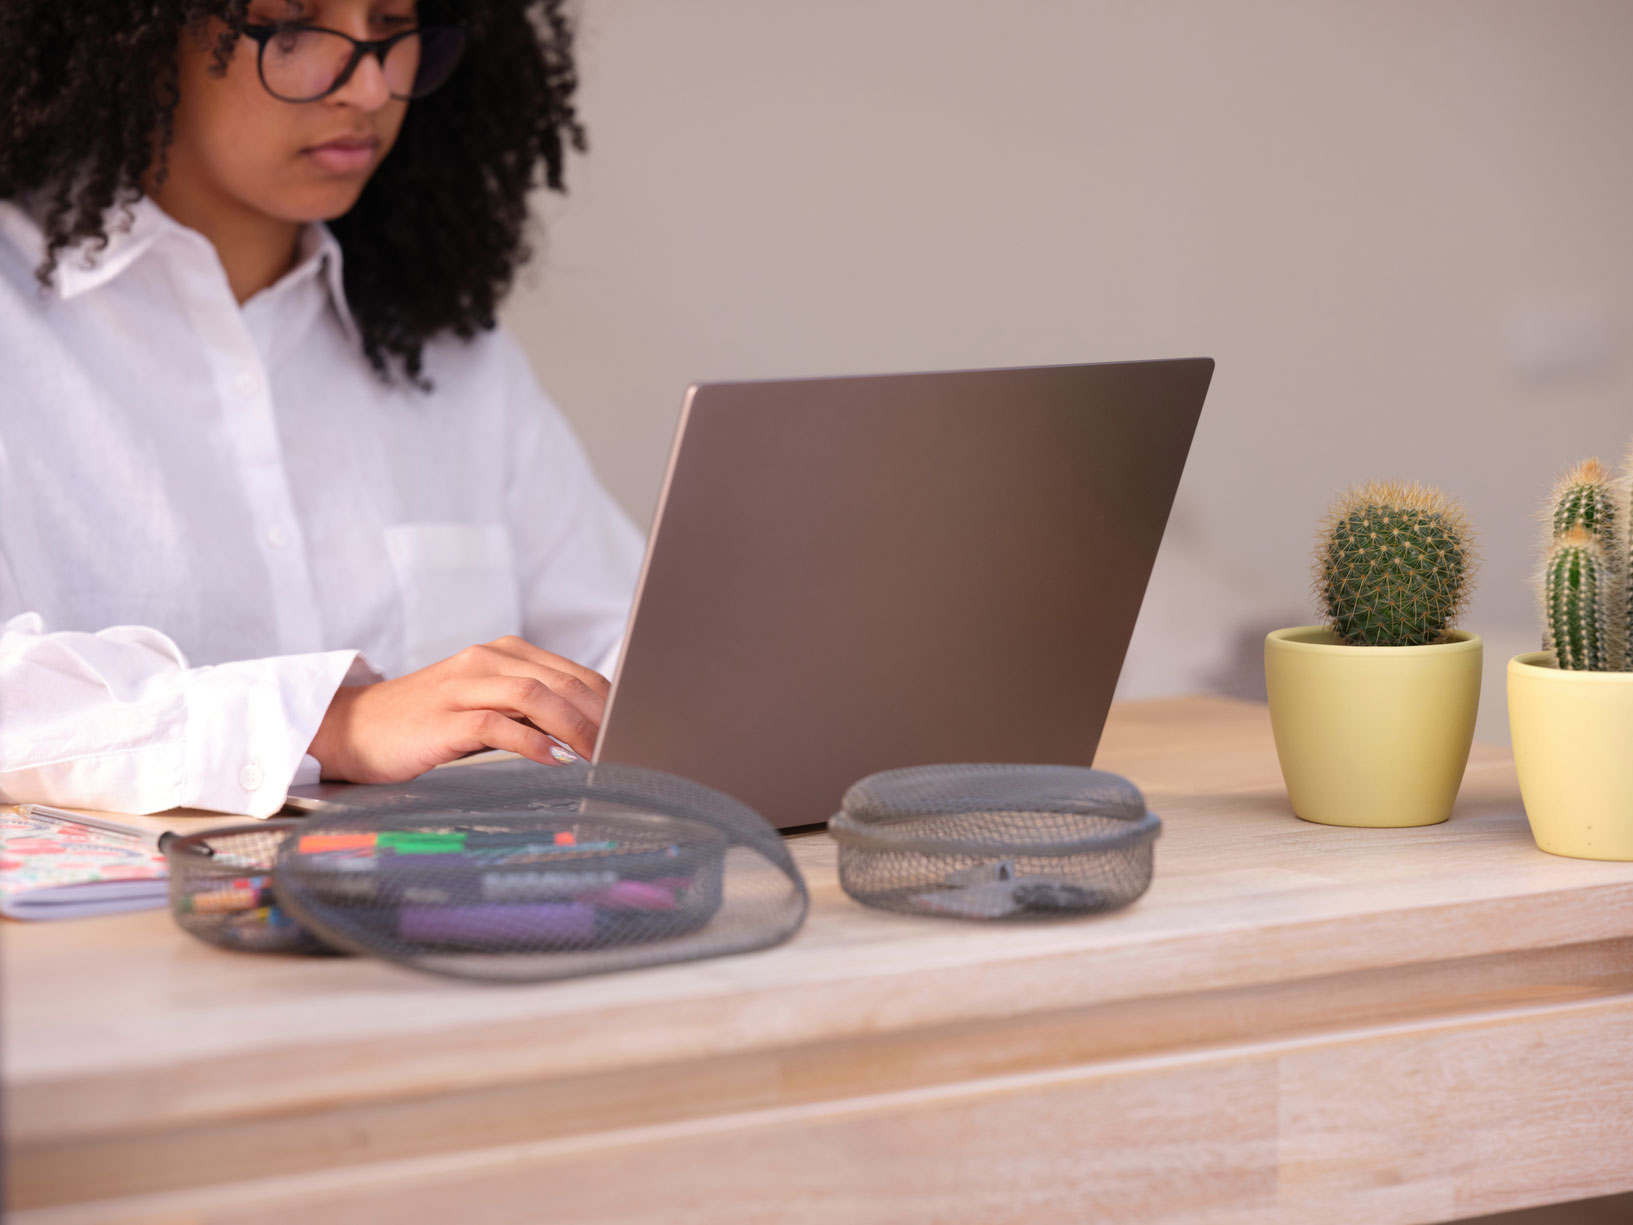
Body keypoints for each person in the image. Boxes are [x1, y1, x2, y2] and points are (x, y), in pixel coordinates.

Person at [0, 0, 645, 817]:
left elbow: (622, 648)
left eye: (391, 27)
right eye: (292, 27)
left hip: (457, 917)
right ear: (139, 36)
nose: (370, 87)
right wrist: (326, 722)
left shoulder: (451, 354)